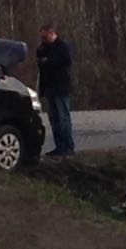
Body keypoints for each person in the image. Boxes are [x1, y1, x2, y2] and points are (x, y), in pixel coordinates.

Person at [36, 22, 75, 156]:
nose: (43, 40)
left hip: (60, 86)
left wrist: (49, 61)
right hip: (49, 87)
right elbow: (41, 66)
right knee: (53, 119)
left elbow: (67, 62)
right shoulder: (43, 49)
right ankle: (59, 146)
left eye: (45, 37)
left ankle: (68, 146)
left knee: (63, 117)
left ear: (52, 33)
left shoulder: (62, 47)